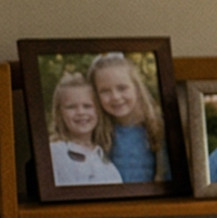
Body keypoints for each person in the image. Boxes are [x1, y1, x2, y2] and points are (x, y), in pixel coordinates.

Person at [90, 53, 170, 184]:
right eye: (105, 91)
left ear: (137, 88)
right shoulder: (96, 132)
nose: (115, 96)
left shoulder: (158, 127)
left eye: (122, 88)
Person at [44, 72, 122, 186]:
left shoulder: (105, 160)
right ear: (59, 113)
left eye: (87, 106)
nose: (80, 112)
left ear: (98, 111)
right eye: (71, 107)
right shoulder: (54, 153)